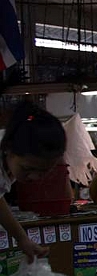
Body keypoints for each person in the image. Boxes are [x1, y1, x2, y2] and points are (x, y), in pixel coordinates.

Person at [0, 102, 66, 263]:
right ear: (9, 149)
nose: (34, 177)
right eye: (27, 168)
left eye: (44, 172)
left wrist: (23, 239)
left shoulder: (10, 157)